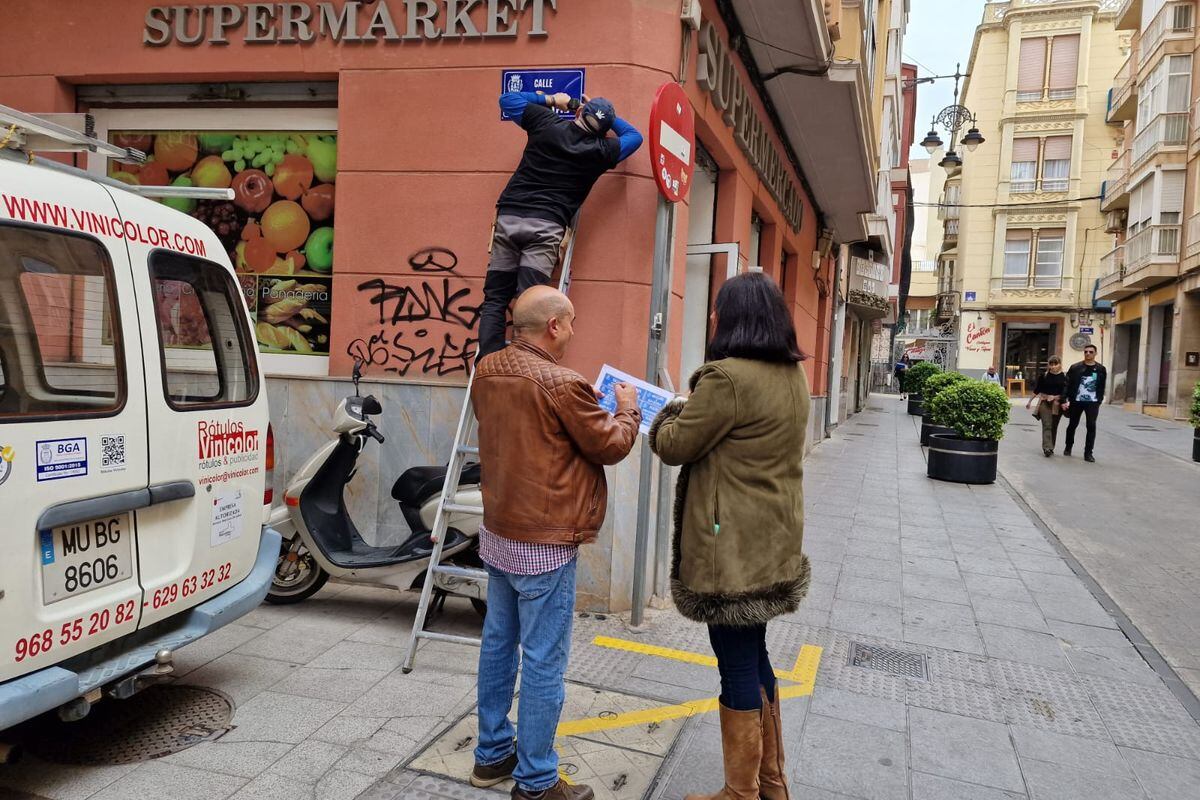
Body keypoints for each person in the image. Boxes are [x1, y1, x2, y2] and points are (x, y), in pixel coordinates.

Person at [469, 285, 640, 800]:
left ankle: (492, 753)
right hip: (544, 543)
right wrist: (627, 409)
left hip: (500, 530)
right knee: (544, 659)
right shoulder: (562, 382)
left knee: (499, 644)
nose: (573, 330)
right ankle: (538, 781)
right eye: (571, 322)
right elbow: (609, 444)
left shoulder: (488, 368)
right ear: (554, 327)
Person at [649, 273, 812, 800]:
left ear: (733, 318)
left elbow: (675, 445)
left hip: (732, 547)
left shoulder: (726, 378)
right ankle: (771, 783)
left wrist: (674, 406)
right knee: (756, 651)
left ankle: (740, 793)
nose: (713, 318)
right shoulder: (791, 376)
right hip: (774, 538)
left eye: (718, 311)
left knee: (736, 662)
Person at [477, 90, 644, 358]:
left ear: (578, 113)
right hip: (545, 228)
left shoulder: (546, 122)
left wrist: (554, 100)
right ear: (602, 131)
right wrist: (609, 120)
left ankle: (487, 364)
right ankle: (521, 368)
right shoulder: (601, 150)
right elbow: (635, 137)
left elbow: (508, 99)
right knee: (529, 303)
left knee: (495, 299)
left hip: (509, 218)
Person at [1063, 344, 1107, 462]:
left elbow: (1102, 386)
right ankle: (1068, 446)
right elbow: (1067, 384)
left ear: (1095, 353)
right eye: (1086, 352)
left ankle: (1088, 453)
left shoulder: (1100, 369)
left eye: (1091, 352)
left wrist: (1099, 400)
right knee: (1073, 424)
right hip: (1077, 401)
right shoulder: (1075, 368)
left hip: (1092, 402)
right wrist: (1065, 399)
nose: (1088, 354)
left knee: (1091, 426)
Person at [1026, 355, 1066, 457]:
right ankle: (1047, 447)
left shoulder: (1064, 377)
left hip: (1057, 403)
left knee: (1054, 426)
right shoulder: (1044, 376)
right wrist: (1030, 401)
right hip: (1045, 402)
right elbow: (1037, 389)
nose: (1053, 366)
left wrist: (1064, 401)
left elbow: (1066, 391)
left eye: (1055, 364)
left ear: (1059, 364)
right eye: (1051, 364)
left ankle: (1051, 446)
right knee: (1047, 424)